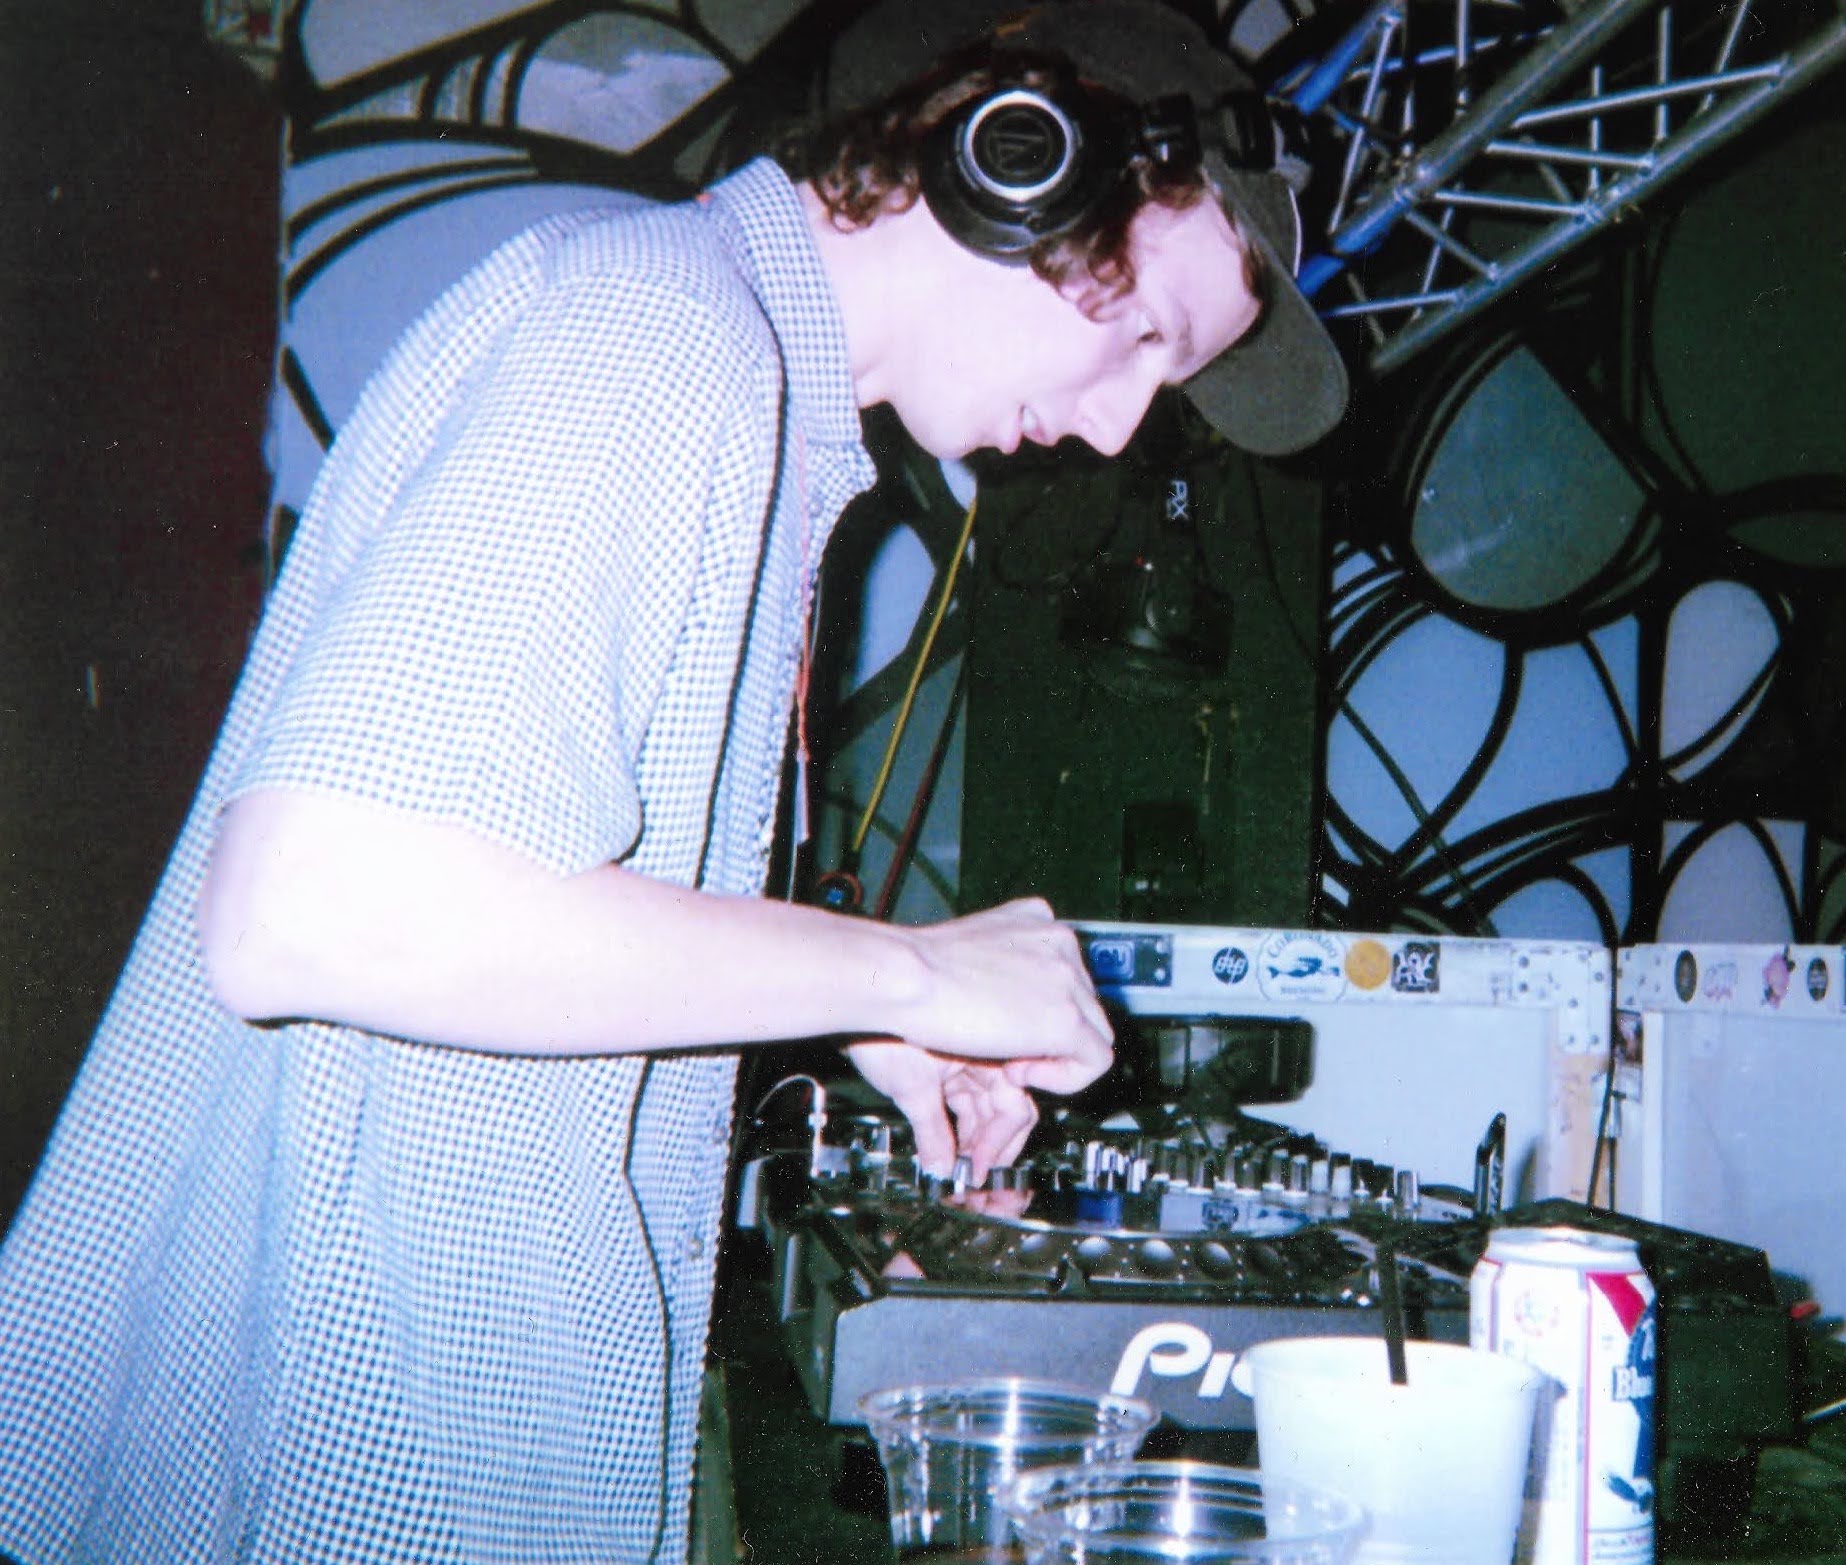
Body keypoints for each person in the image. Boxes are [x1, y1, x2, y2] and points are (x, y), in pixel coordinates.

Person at [0, 2, 1348, 1560]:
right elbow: (311, 907)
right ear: (1013, 160)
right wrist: (912, 967)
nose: (1118, 425)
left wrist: (864, 1013)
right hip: (368, 1462)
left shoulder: (716, 361)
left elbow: (519, 890)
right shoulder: (658, 337)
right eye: (1145, 335)